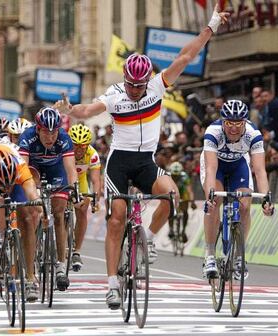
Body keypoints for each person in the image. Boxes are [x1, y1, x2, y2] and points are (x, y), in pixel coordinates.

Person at [54, 5, 230, 309]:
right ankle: (111, 286)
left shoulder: (157, 86)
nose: (136, 91)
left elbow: (187, 55)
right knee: (117, 219)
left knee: (172, 196)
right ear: (125, 79)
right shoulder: (114, 94)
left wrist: (212, 24)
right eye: (131, 85)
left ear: (147, 78)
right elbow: (87, 111)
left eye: (140, 85)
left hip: (146, 161)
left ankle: (145, 239)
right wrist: (70, 110)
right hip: (119, 162)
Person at [201, 100, 274, 280]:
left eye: (238, 123)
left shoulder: (253, 134)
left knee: (244, 207)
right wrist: (209, 196)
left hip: (238, 166)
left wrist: (266, 199)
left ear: (245, 122)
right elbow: (210, 168)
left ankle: (240, 256)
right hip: (216, 167)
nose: (233, 128)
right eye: (229, 123)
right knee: (214, 201)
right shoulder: (213, 132)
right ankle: (210, 254)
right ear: (223, 121)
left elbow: (259, 170)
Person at [18, 107, 80, 291]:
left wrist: (75, 189)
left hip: (56, 172)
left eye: (54, 131)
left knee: (59, 214)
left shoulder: (64, 138)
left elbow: (70, 170)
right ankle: (32, 251)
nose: (50, 136)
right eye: (46, 131)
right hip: (33, 171)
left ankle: (61, 266)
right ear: (38, 129)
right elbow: (23, 168)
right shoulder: (27, 137)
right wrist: (30, 191)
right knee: (32, 212)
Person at [0, 143, 42, 302]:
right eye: (3, 186)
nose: (6, 188)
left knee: (26, 219)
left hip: (14, 177)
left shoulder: (20, 167)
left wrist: (43, 210)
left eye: (8, 184)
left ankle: (31, 277)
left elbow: (33, 196)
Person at [68, 124, 101, 270]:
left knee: (83, 209)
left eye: (83, 146)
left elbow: (95, 180)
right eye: (75, 145)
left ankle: (76, 251)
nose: (79, 149)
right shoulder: (64, 151)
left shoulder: (92, 155)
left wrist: (96, 197)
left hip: (80, 181)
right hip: (64, 179)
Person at [168, 161, 196, 243]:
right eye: (174, 175)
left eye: (177, 175)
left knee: (185, 211)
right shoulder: (167, 176)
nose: (175, 177)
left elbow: (189, 190)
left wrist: (192, 201)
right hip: (171, 193)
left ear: (180, 173)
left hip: (183, 194)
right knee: (170, 211)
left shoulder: (184, 177)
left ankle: (183, 230)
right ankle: (171, 229)